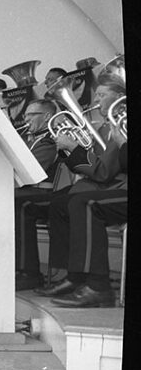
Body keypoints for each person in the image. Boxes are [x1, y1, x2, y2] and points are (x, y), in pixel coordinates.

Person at [35, 78, 127, 306]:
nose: (96, 101)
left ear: (120, 99)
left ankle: (97, 285)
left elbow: (103, 171)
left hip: (118, 186)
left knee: (82, 203)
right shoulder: (105, 127)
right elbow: (92, 163)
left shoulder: (120, 125)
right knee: (60, 203)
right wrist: (68, 149)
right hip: (108, 184)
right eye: (96, 95)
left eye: (102, 95)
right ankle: (74, 276)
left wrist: (73, 148)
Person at [13, 99, 61, 290]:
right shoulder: (31, 138)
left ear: (47, 116)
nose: (26, 119)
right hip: (29, 191)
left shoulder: (49, 140)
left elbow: (31, 172)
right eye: (25, 115)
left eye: (31, 115)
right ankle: (14, 267)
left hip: (43, 192)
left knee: (19, 204)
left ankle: (29, 272)